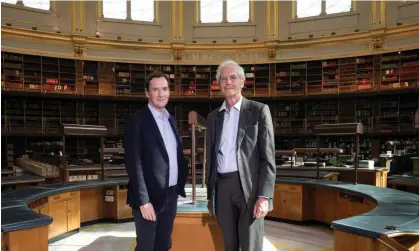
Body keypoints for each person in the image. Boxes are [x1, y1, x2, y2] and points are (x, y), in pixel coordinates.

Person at [205, 60, 276, 251]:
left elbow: (268, 158)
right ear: (219, 84)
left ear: (242, 82)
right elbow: (210, 158)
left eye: (233, 77)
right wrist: (211, 193)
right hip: (222, 187)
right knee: (229, 245)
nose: (228, 82)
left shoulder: (259, 111)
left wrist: (264, 196)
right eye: (223, 79)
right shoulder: (213, 117)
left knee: (250, 245)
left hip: (249, 188)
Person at [124, 71, 189, 251]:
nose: (161, 94)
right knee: (146, 247)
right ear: (147, 93)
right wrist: (144, 201)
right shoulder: (136, 121)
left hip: (171, 194)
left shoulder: (171, 120)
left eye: (165, 89)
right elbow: (134, 163)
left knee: (164, 245)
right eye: (155, 89)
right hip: (149, 198)